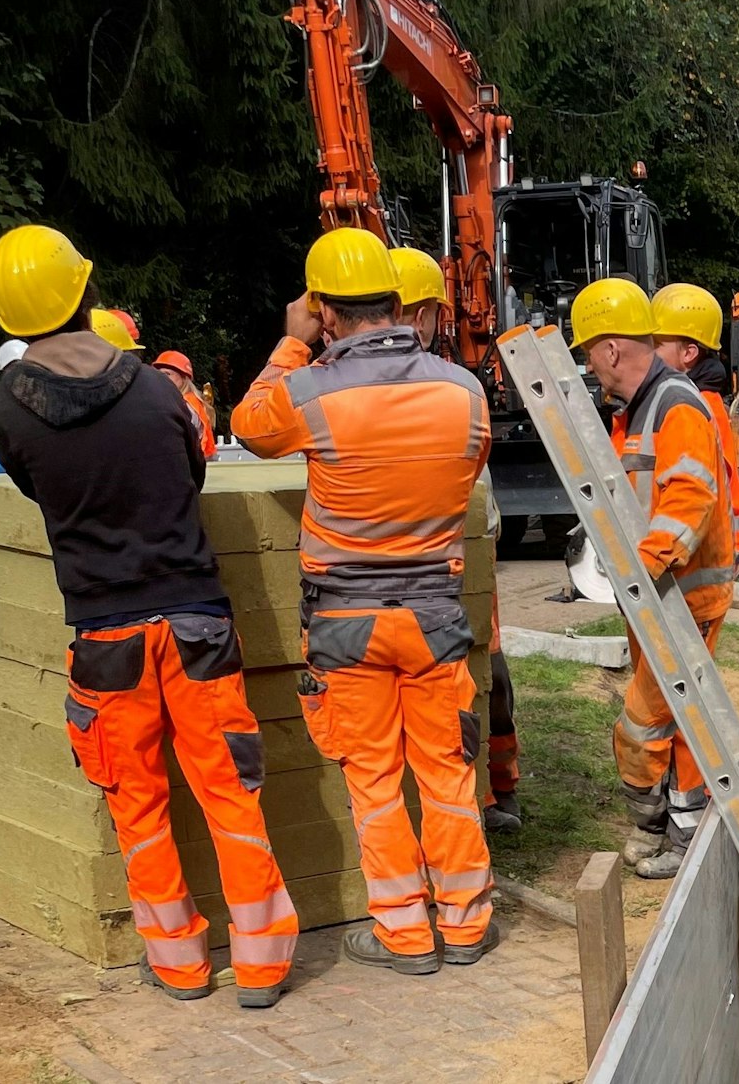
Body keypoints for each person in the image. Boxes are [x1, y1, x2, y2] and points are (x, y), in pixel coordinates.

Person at [0, 224, 299, 1007]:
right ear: (86, 294)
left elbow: (31, 486)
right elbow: (192, 471)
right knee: (230, 793)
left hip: (104, 637)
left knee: (139, 804)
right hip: (195, 622)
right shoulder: (157, 387)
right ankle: (261, 965)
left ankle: (180, 964)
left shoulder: (10, 409)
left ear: (10, 317)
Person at [232, 227, 499, 973]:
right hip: (435, 614)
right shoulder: (463, 389)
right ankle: (468, 925)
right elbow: (466, 468)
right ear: (395, 300)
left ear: (322, 309)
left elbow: (249, 430)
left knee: (373, 782)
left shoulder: (308, 390)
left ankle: (405, 937)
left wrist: (290, 346)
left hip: (345, 621)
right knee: (446, 770)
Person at [570, 278, 735, 880]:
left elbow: (690, 492)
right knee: (675, 718)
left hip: (680, 594)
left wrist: (645, 565)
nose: (589, 365)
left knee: (649, 721)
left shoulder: (675, 405)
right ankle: (678, 826)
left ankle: (675, 830)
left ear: (612, 349)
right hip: (662, 595)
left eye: (589, 351)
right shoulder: (639, 410)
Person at [389, 244, 522, 834]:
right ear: (423, 315)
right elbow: (480, 491)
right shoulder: (458, 388)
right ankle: (491, 796)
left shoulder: (328, 390)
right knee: (479, 682)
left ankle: (494, 791)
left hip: (373, 590)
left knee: (480, 686)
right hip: (450, 571)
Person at [649, 283, 739, 570]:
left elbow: (697, 492)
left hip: (700, 556)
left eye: (656, 344)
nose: (648, 352)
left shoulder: (696, 405)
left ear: (689, 353)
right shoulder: (693, 397)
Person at [151, 351, 218, 461]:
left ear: (183, 378)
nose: (162, 378)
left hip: (190, 465)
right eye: (159, 374)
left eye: (167, 374)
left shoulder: (186, 406)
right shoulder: (180, 402)